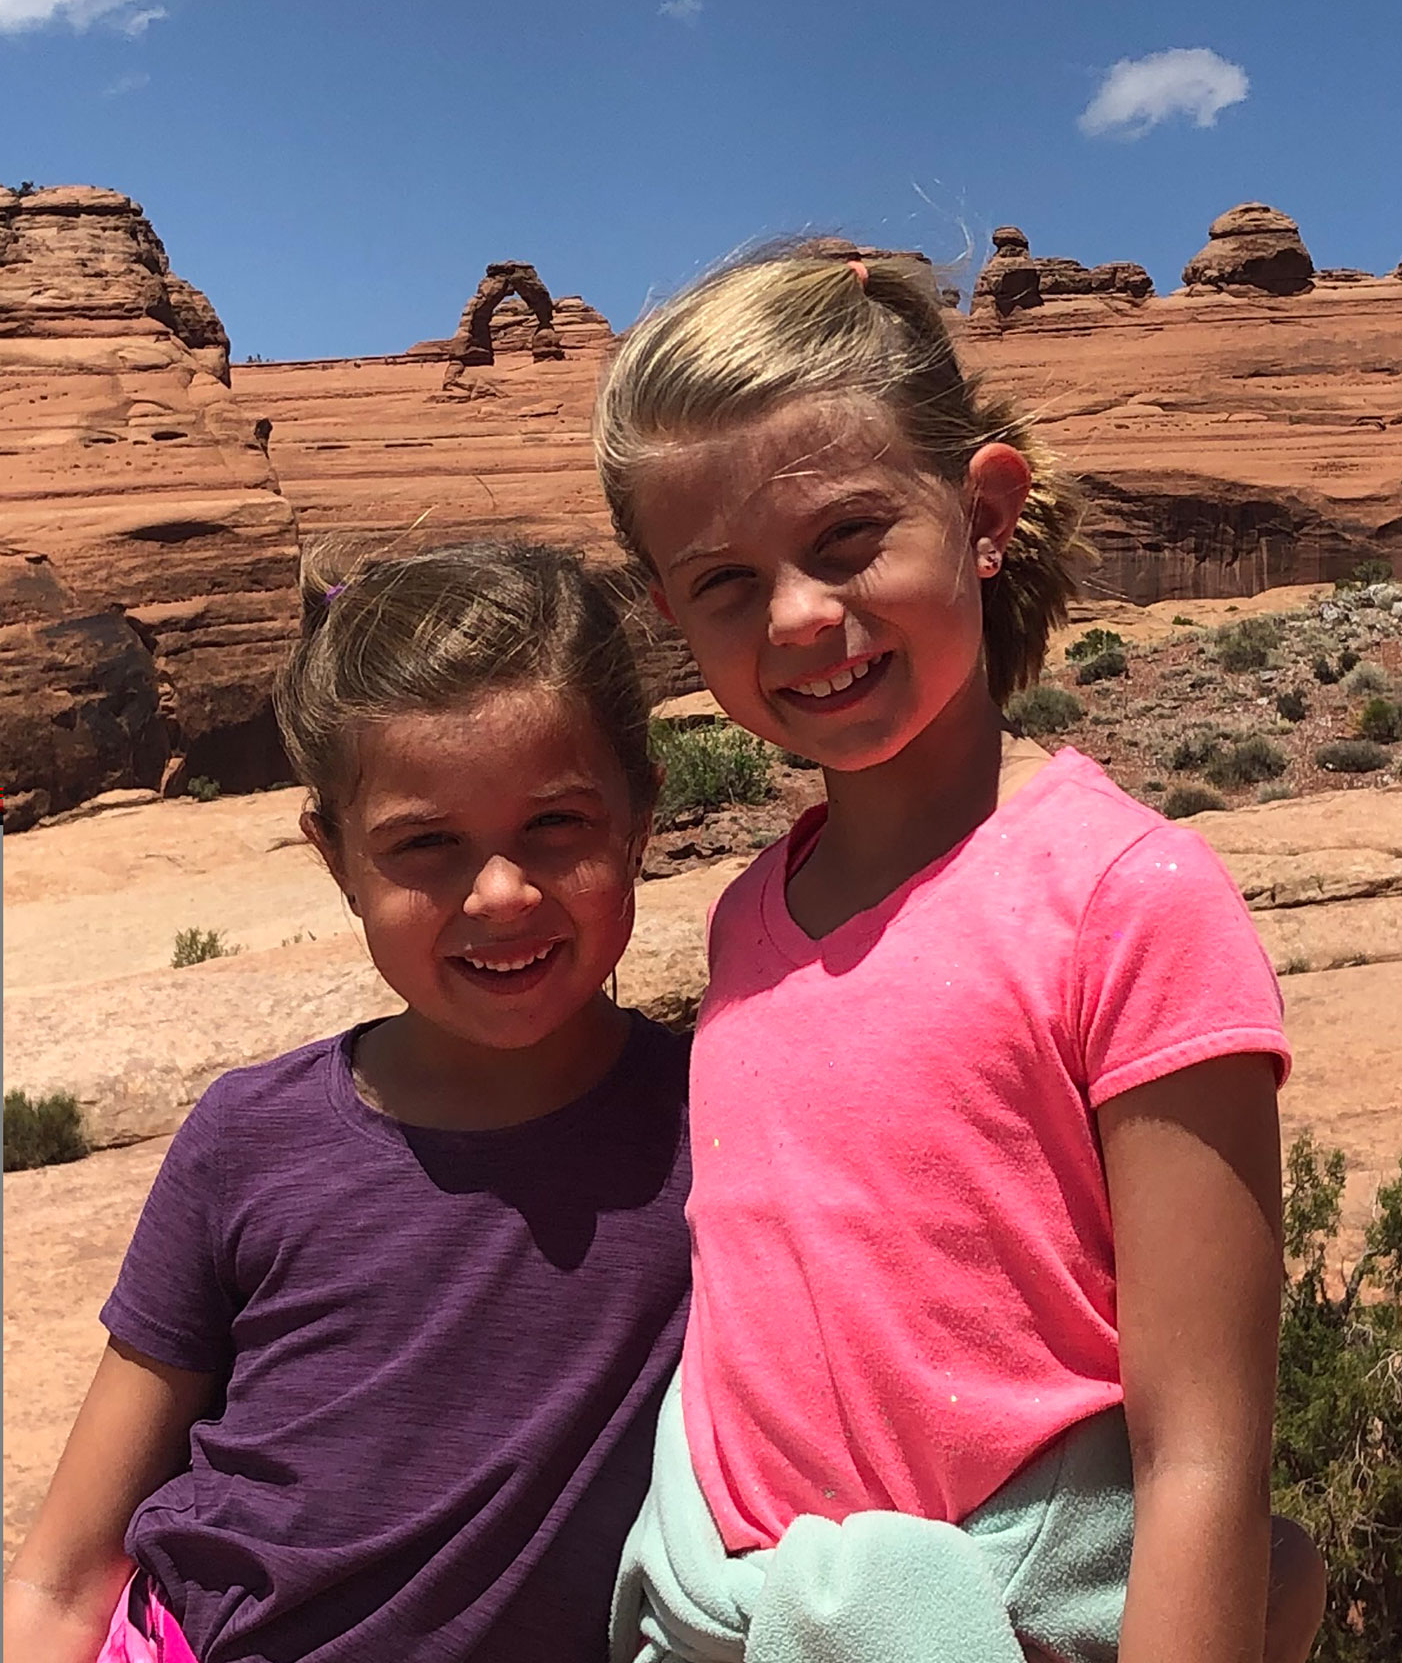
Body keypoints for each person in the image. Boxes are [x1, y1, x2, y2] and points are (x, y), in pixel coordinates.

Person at [593, 252, 1327, 1663]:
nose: (800, 616)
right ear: (673, 617)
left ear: (983, 515)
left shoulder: (1128, 899)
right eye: (727, 584)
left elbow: (1203, 1459)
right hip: (721, 1622)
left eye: (851, 537)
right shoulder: (749, 917)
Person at [3, 542, 693, 1663]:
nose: (503, 892)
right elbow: (64, 1572)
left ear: (640, 813)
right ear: (335, 860)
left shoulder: (721, 1128)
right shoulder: (249, 1141)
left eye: (556, 824)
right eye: (427, 843)